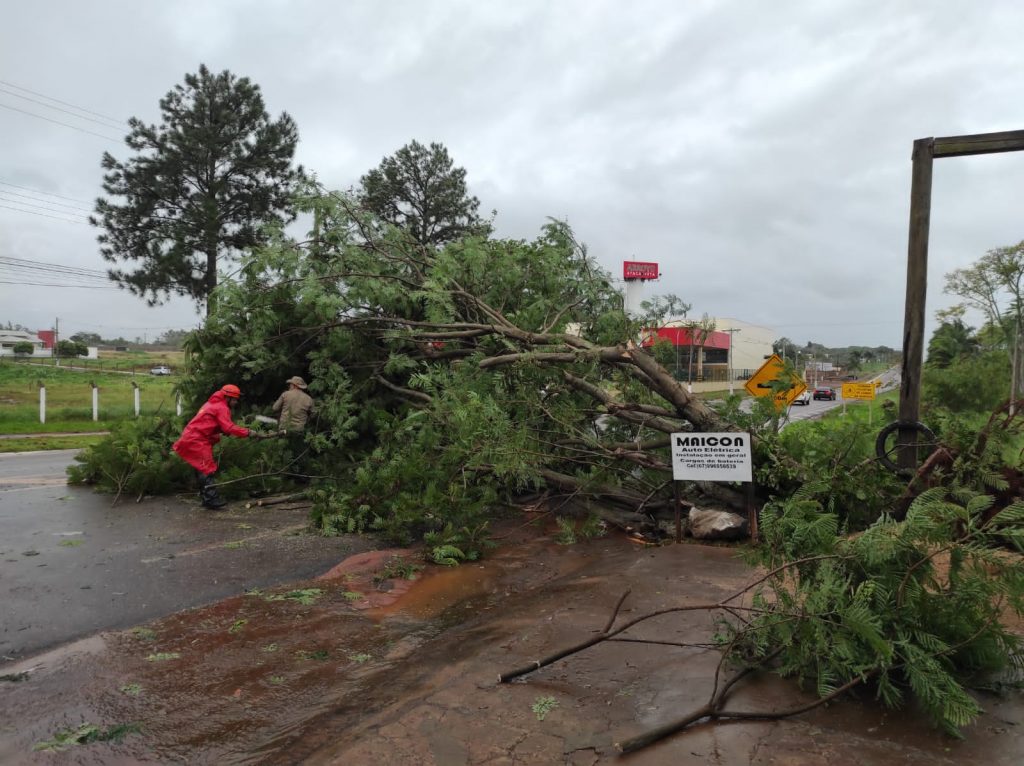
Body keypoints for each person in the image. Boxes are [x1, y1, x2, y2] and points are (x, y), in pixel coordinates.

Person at [173, 384, 274, 509]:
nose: (236, 402)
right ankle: (211, 500)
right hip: (197, 440)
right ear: (227, 398)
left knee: (200, 468)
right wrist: (249, 432)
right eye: (234, 399)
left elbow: (212, 424)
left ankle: (206, 497)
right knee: (207, 468)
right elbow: (229, 427)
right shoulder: (221, 407)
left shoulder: (210, 404)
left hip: (191, 437)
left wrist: (222, 430)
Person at [272, 376, 315, 481]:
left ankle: (285, 477)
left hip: (284, 429)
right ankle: (301, 478)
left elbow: (274, 408)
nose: (289, 386)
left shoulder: (285, 394)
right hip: (299, 430)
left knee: (284, 452)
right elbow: (314, 414)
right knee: (299, 453)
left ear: (294, 385)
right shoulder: (308, 399)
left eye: (290, 384)